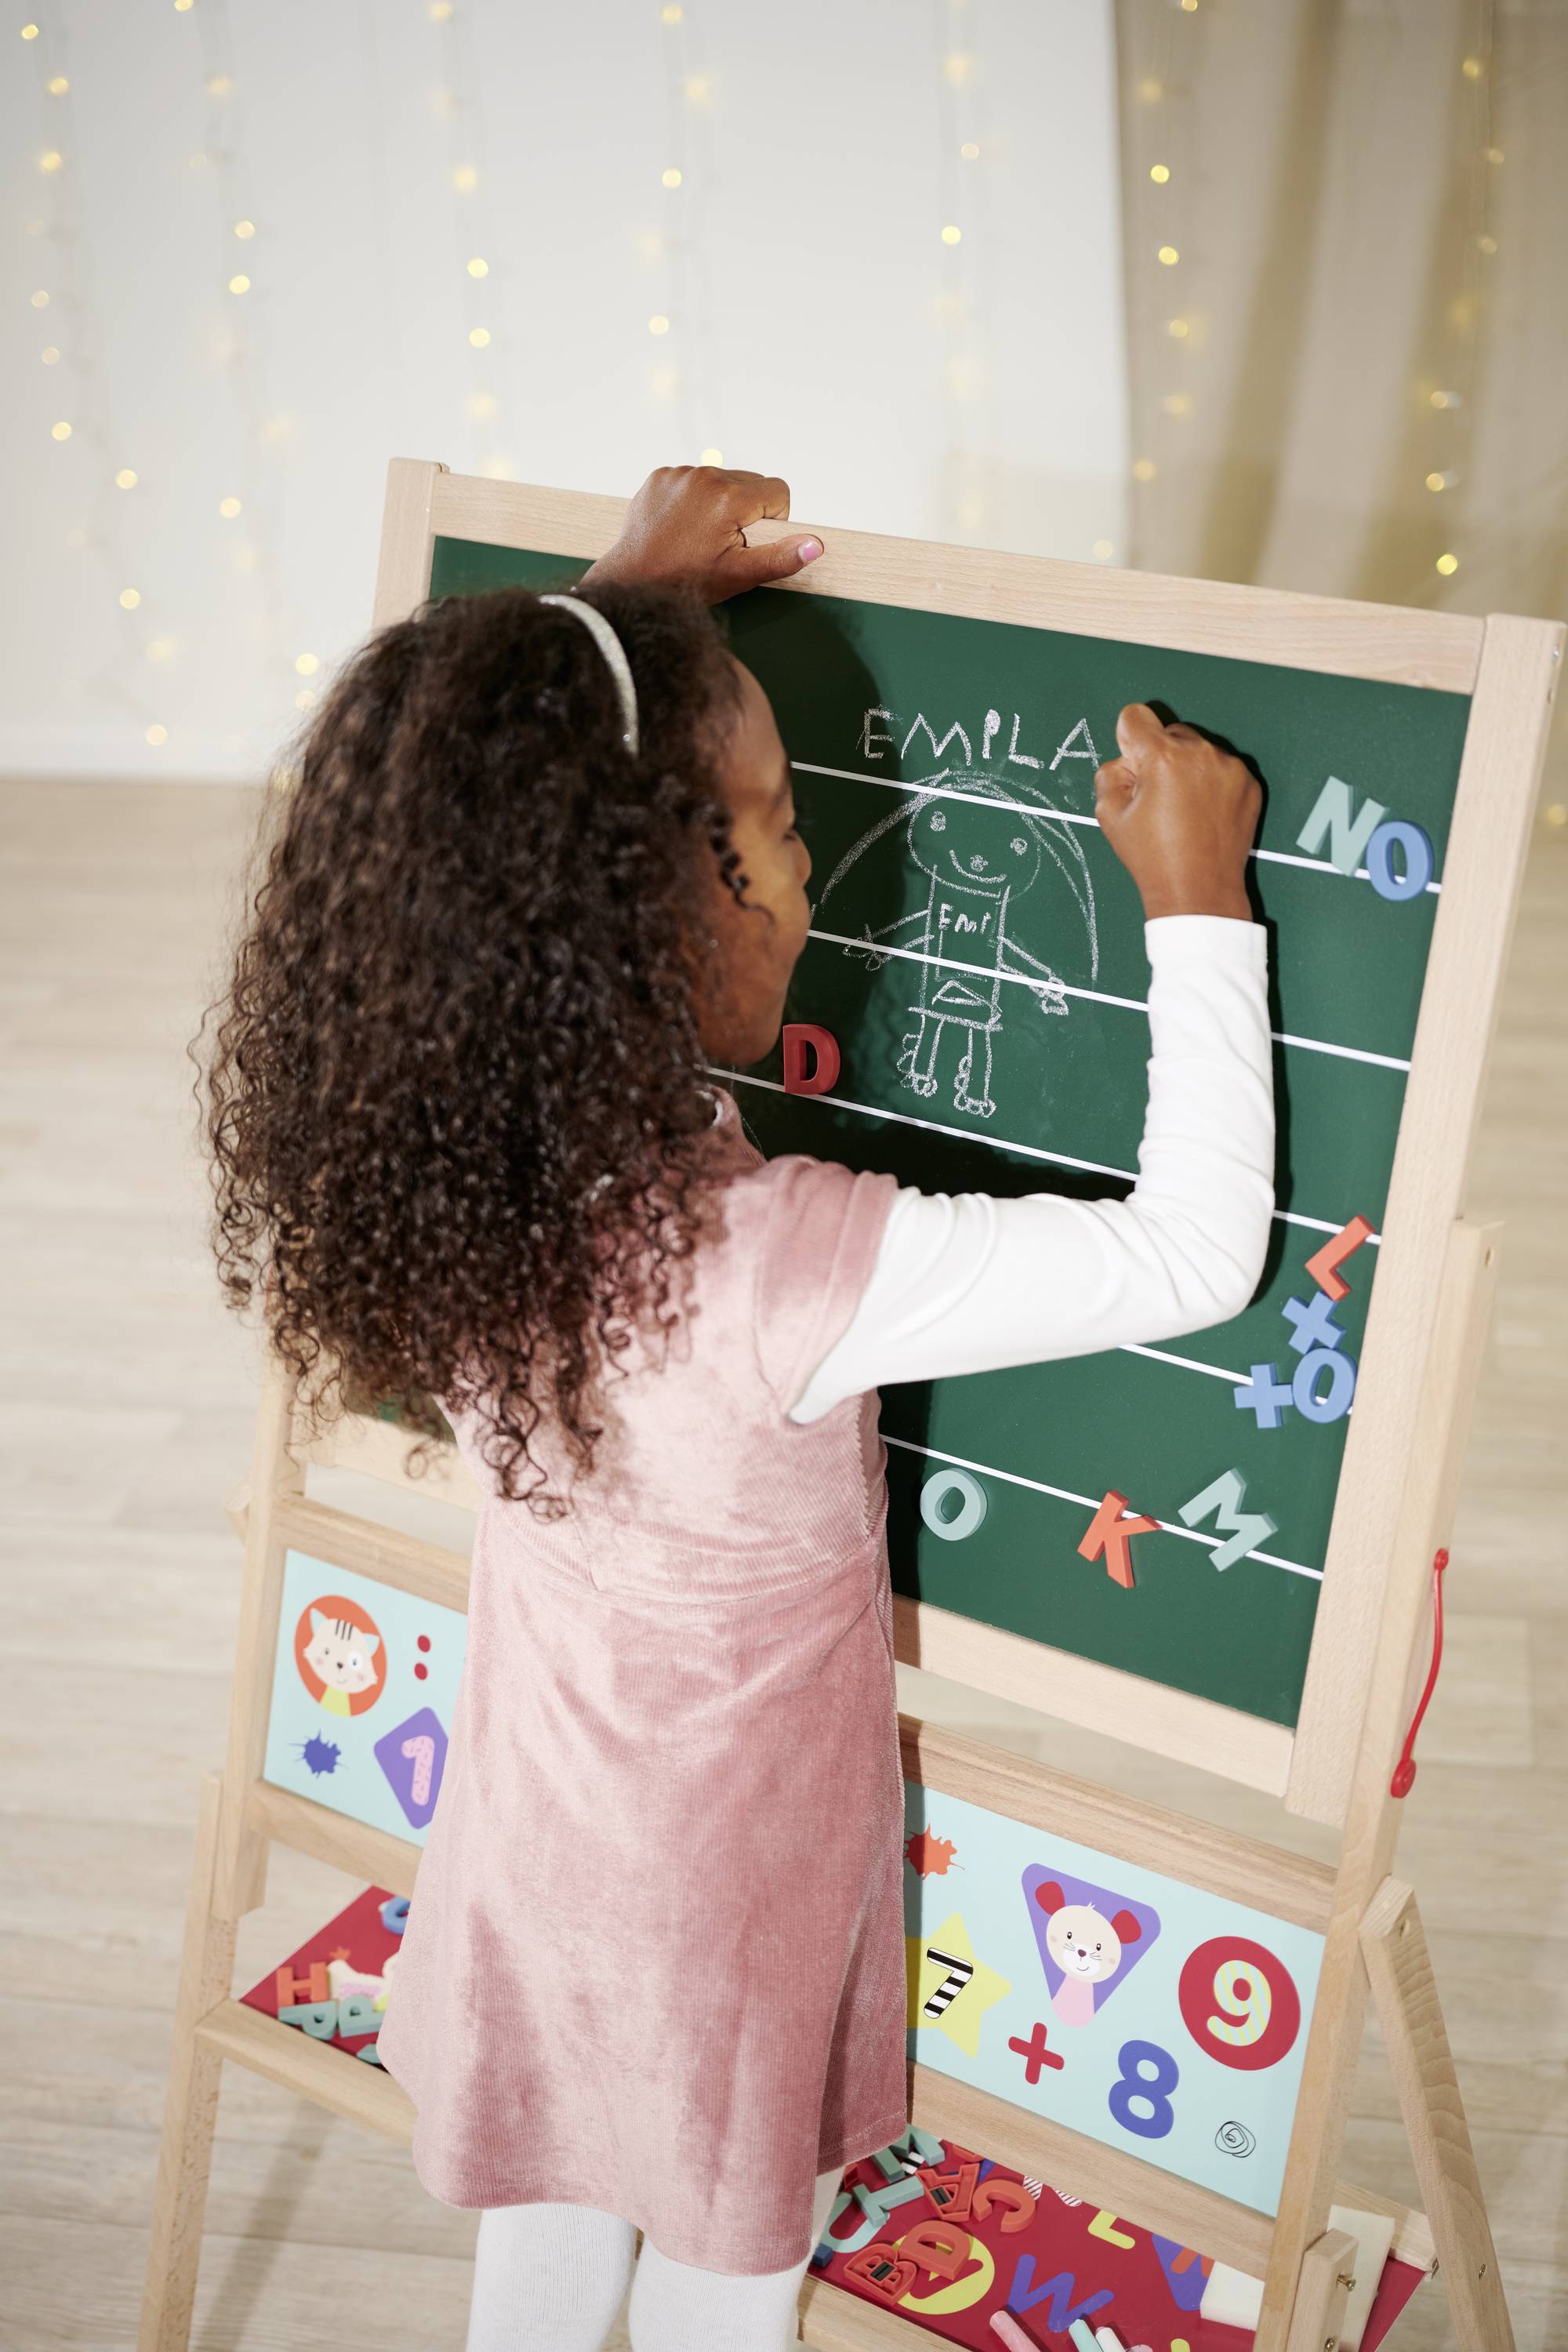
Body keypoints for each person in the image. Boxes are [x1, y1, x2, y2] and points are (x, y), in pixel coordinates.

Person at [198, 465, 1270, 2350]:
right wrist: (1194, 911)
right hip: (726, 1917)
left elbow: (476, 819)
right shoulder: (788, 1266)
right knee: (718, 2260)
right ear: (637, 900)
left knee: (538, 2201)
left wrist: (613, 615)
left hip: (534, 1847)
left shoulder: (451, 1162)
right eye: (770, 832)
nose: (810, 869)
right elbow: (1188, 1256)